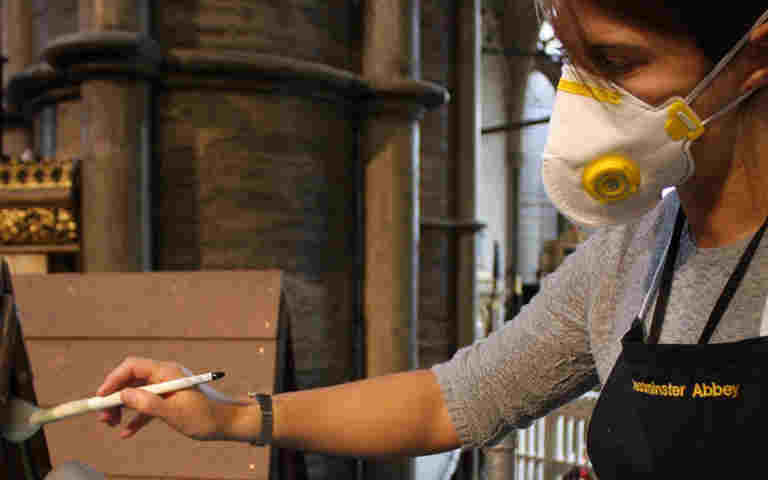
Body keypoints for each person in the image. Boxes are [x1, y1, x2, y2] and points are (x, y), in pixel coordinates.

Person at [94, 2, 768, 477]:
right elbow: (454, 399)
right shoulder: (629, 256)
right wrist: (234, 417)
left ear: (754, 58)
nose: (583, 99)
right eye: (571, 59)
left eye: (616, 61)